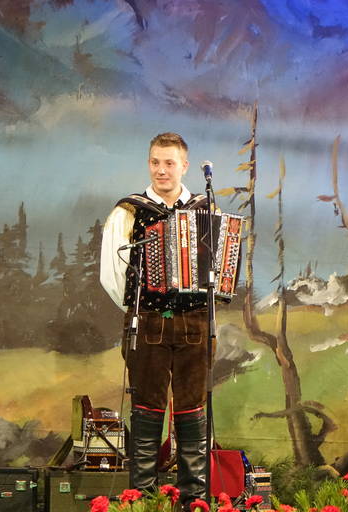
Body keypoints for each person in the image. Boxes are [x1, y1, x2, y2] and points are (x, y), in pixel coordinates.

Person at [100, 132, 210, 508]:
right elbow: (111, 273)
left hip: (196, 322)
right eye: (155, 162)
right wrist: (138, 309)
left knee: (192, 408)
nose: (161, 170)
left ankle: (194, 500)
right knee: (147, 407)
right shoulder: (129, 211)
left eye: (169, 163)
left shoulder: (204, 208)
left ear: (184, 166)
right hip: (147, 323)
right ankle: (144, 500)